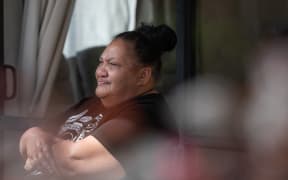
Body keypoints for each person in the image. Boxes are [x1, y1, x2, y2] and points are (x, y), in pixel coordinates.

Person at [19, 23, 177, 179]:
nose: (100, 71)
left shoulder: (147, 114)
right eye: (101, 62)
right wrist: (33, 134)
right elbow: (29, 137)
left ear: (142, 76)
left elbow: (74, 160)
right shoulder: (89, 104)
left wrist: (36, 148)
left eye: (112, 64)